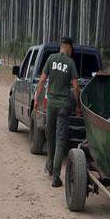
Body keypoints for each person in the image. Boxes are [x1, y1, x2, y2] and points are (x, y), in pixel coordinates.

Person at [34, 36, 80, 187]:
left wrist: (37, 100)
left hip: (51, 105)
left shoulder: (51, 59)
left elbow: (41, 81)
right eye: (71, 48)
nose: (71, 51)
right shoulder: (70, 63)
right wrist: (78, 105)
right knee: (60, 140)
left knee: (51, 136)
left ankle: (49, 165)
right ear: (66, 46)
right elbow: (76, 87)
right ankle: (56, 176)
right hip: (64, 106)